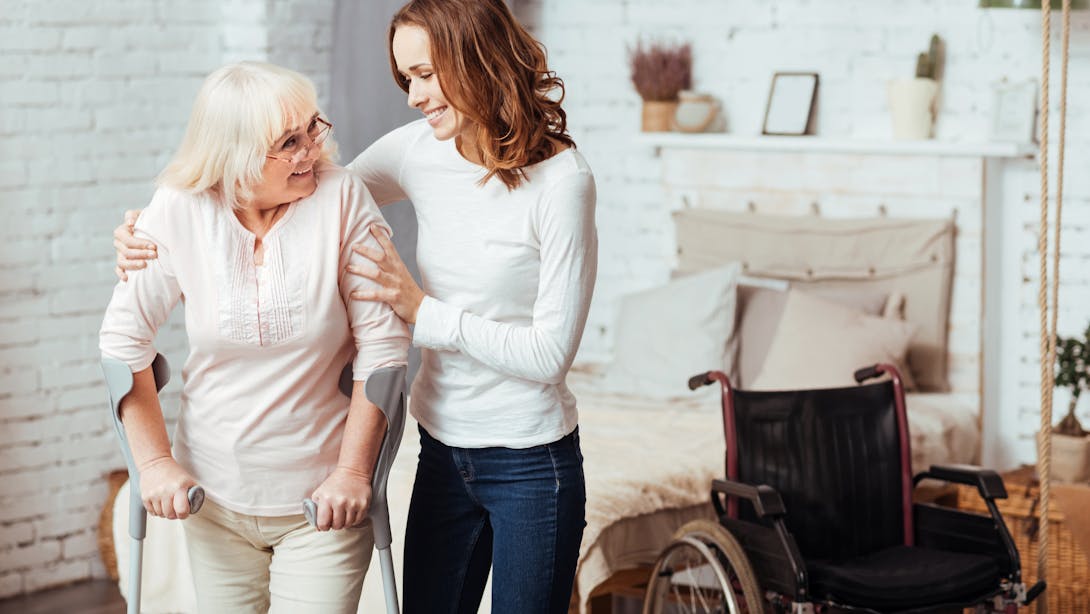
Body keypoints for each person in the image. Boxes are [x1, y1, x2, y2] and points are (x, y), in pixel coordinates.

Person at [113, 1, 597, 612]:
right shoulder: (419, 149)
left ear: (474, 57)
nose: (414, 96)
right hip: (443, 448)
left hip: (531, 458)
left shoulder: (563, 182)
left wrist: (422, 311)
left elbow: (550, 355)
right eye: (406, 79)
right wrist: (155, 228)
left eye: (424, 74)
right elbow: (313, 191)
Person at [100, 61, 410, 614]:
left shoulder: (341, 200)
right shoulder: (179, 209)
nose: (311, 150)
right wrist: (154, 464)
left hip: (322, 502)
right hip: (212, 498)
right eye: (288, 142)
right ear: (234, 156)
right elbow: (123, 346)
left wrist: (354, 473)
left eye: (313, 129)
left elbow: (383, 351)